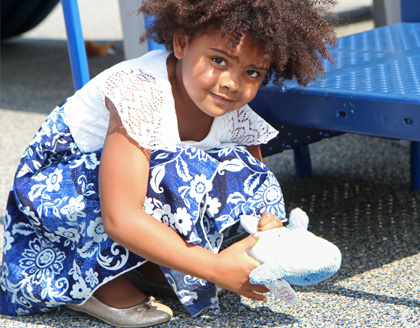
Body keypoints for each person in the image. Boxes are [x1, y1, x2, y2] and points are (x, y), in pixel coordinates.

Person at [0, 0, 337, 326]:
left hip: (124, 193)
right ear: (181, 42)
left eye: (252, 72)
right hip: (57, 199)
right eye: (219, 60)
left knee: (241, 172)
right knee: (178, 168)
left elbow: (256, 185)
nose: (232, 83)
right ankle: (88, 281)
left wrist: (267, 231)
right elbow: (121, 217)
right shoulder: (140, 93)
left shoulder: (232, 110)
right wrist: (214, 268)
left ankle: (145, 266)